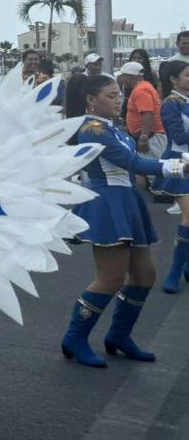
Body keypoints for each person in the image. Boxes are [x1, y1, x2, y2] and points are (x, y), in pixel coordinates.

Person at [62, 74, 185, 368]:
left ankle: (119, 335)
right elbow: (131, 163)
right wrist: (177, 167)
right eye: (111, 95)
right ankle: (75, 337)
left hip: (127, 200)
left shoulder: (110, 127)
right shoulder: (92, 129)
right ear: (91, 100)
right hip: (108, 203)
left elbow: (132, 166)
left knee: (144, 275)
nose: (119, 100)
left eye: (119, 94)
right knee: (111, 277)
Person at [154, 59, 189, 292]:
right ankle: (176, 270)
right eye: (187, 75)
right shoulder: (171, 104)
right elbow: (178, 136)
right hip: (180, 164)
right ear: (174, 80)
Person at [118, 60, 166, 193]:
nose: (121, 78)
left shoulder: (140, 90)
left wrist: (144, 137)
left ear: (130, 76)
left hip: (150, 136)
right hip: (151, 135)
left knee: (150, 167)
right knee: (150, 166)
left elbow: (147, 113)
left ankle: (161, 193)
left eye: (123, 75)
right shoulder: (145, 86)